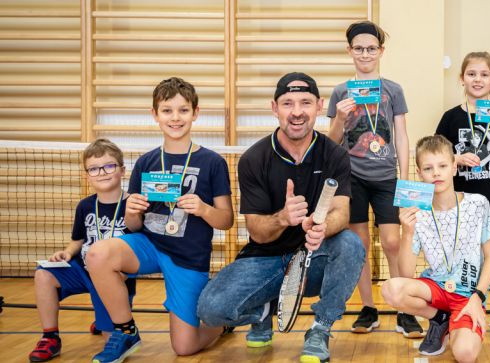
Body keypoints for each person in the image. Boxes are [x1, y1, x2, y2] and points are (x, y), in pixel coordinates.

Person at [197, 72, 365, 363]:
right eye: (288, 103)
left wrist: (323, 228)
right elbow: (257, 232)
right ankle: (264, 308)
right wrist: (282, 218)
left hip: (313, 258)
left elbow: (342, 211)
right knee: (210, 310)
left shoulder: (335, 155)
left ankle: (320, 328)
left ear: (319, 106)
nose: (297, 112)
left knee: (351, 243)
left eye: (305, 103)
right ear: (274, 108)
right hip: (265, 259)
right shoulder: (253, 159)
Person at [86, 77, 234, 362]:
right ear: (155, 114)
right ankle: (126, 331)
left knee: (184, 347)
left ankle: (222, 323)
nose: (175, 118)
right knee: (98, 254)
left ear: (196, 113)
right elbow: (133, 227)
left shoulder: (213, 162)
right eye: (167, 110)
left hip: (188, 257)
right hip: (149, 245)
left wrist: (203, 209)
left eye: (183, 110)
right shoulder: (146, 162)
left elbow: (226, 220)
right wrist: (131, 210)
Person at [326, 20, 420, 337]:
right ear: (350, 51)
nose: (365, 54)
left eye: (371, 48)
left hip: (386, 177)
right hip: (351, 179)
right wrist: (339, 116)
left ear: (380, 51)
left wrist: (404, 179)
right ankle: (368, 308)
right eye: (358, 48)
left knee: (394, 242)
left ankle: (404, 310)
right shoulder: (340, 92)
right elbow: (333, 139)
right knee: (359, 244)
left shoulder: (393, 89)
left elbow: (402, 136)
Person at [382, 135, 490, 362]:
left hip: (467, 295)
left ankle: (456, 326)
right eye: (428, 168)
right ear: (419, 173)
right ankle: (440, 318)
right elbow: (406, 274)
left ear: (454, 167)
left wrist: (478, 297)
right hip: (435, 289)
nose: (436, 173)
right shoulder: (417, 212)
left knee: (465, 354)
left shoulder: (478, 203)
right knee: (391, 289)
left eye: (442, 166)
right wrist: (407, 232)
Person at [435, 51, 490, 335]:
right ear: (462, 78)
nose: (478, 79)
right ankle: (462, 303)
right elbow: (438, 156)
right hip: (460, 198)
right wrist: (457, 160)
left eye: (484, 74)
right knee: (462, 252)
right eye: (471, 74)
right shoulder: (451, 117)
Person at [28, 139, 137, 362]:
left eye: (109, 166)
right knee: (43, 274)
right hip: (82, 267)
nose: (102, 173)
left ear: (122, 170)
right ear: (87, 175)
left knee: (112, 341)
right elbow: (78, 240)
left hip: (113, 276)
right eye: (94, 169)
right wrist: (67, 252)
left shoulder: (134, 205)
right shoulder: (85, 206)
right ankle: (50, 337)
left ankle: (106, 320)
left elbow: (140, 248)